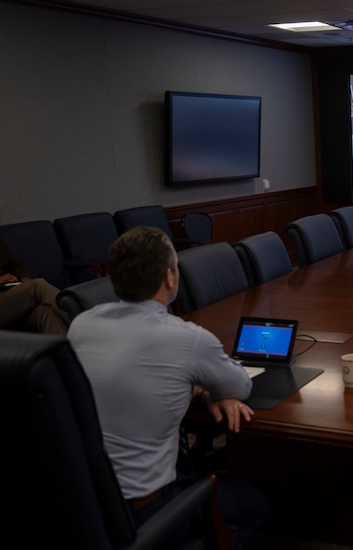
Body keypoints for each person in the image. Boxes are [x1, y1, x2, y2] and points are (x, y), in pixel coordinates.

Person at [68, 226, 270, 548]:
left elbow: (136, 377)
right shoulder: (188, 338)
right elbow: (240, 386)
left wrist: (199, 392)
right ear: (170, 278)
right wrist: (210, 392)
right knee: (257, 502)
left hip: (87, 506)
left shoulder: (81, 325)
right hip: (147, 514)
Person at [0, 234, 70, 335]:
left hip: (7, 298)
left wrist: (25, 277)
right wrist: (1, 279)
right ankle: (85, 323)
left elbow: (16, 264)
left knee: (45, 312)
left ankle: (69, 350)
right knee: (37, 286)